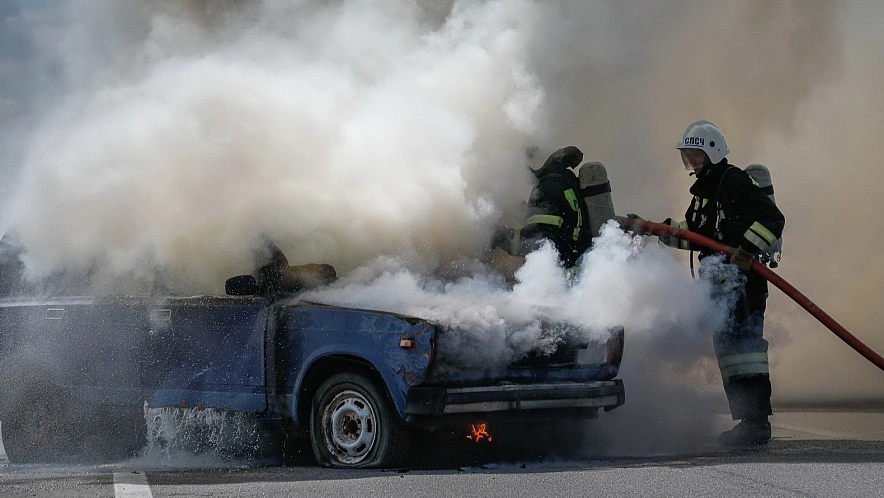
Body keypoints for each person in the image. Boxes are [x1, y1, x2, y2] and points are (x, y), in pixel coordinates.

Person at [636, 120, 785, 446]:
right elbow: (696, 234)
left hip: (743, 284)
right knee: (731, 354)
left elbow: (772, 219)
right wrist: (655, 229)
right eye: (688, 156)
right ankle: (748, 421)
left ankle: (757, 424)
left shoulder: (733, 182)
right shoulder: (705, 190)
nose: (691, 162)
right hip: (721, 285)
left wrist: (746, 249)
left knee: (746, 353)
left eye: (696, 155)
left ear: (713, 152)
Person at [491, 146, 591, 268]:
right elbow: (557, 221)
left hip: (559, 269)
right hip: (573, 259)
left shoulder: (547, 187)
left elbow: (539, 239)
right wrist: (520, 210)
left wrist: (499, 236)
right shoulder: (564, 178)